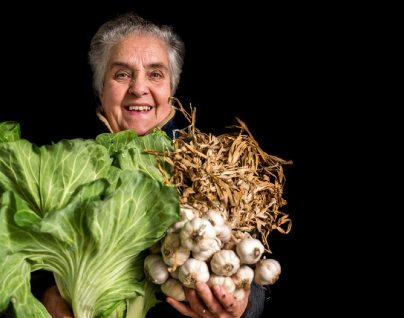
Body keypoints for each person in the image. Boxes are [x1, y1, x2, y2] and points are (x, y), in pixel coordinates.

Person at [33, 12, 266, 318]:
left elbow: (252, 268)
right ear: (101, 88)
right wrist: (43, 296)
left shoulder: (210, 166)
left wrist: (242, 304)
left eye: (155, 74)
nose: (138, 88)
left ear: (172, 88)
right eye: (122, 74)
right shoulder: (59, 167)